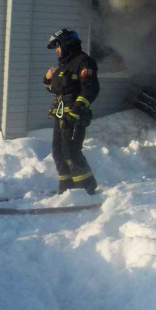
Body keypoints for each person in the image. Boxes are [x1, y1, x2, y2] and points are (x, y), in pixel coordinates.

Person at [44, 28, 99, 194]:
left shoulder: (84, 62)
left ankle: (86, 188)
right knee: (58, 152)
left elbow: (90, 88)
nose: (57, 50)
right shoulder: (64, 65)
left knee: (71, 151)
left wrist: (77, 110)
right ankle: (66, 189)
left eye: (58, 46)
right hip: (60, 115)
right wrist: (48, 78)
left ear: (67, 44)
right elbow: (56, 89)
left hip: (74, 116)